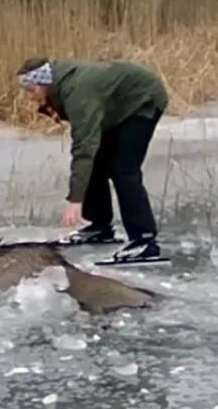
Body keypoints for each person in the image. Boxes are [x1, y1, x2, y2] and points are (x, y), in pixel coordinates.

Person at [16, 56, 168, 263]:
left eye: (32, 90)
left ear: (44, 84)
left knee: (123, 169)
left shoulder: (77, 93)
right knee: (96, 162)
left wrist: (75, 199)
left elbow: (84, 147)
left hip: (142, 99)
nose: (30, 97)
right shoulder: (60, 86)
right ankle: (100, 227)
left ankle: (144, 240)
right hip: (117, 107)